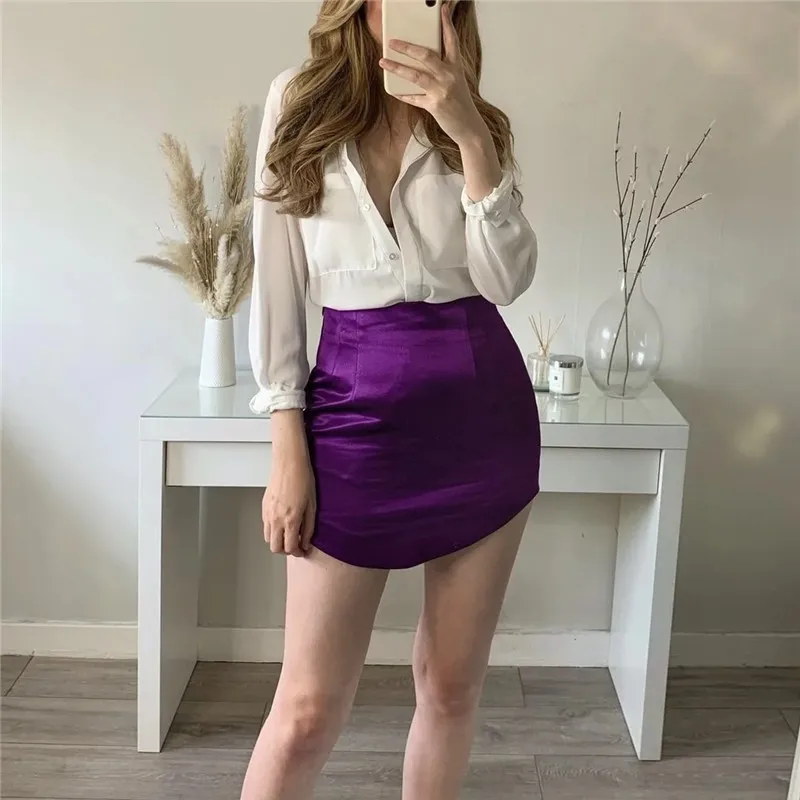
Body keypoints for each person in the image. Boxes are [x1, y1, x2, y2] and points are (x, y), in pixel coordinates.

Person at [243, 1, 540, 797]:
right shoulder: (296, 101)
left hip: (483, 420)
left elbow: (506, 280)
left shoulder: (474, 120)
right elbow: (276, 289)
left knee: (450, 686)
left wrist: (469, 134)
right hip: (351, 418)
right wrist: (287, 449)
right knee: (306, 710)